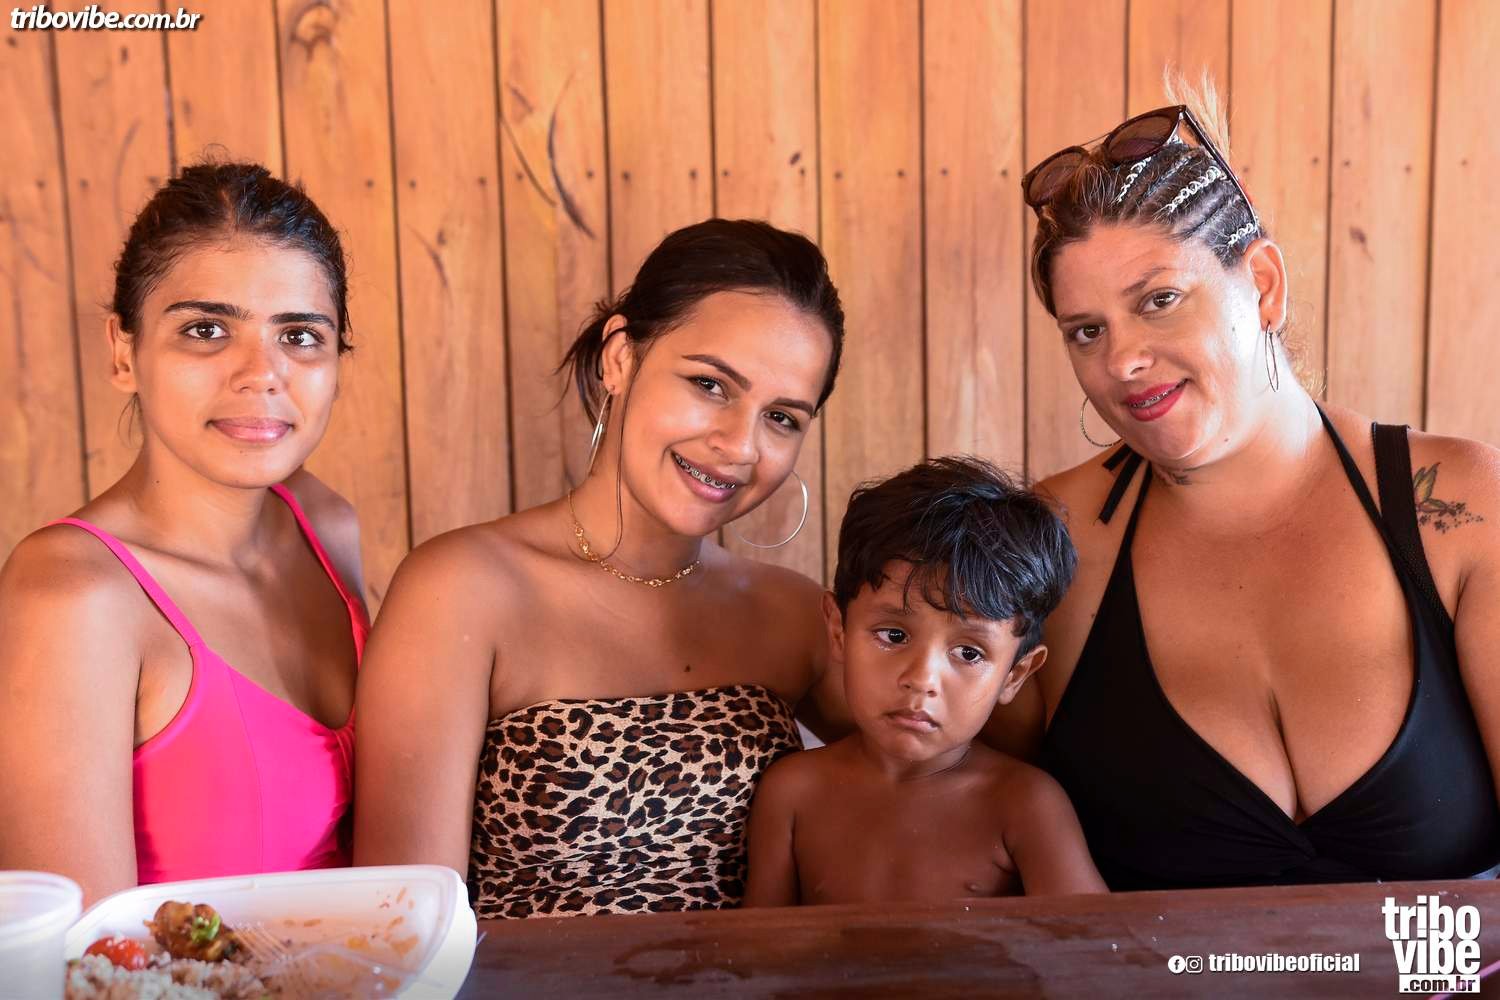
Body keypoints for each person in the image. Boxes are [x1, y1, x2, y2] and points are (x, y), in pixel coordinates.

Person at [986, 79, 1500, 889]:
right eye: (1086, 332)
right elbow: (953, 802)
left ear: (1262, 285)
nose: (1122, 362)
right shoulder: (1049, 544)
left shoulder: (1464, 507)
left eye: (1159, 300)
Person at [354, 219, 850, 918]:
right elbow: (402, 923)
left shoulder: (796, 617)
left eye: (782, 418)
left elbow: (951, 767)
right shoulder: (460, 590)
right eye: (710, 384)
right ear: (620, 357)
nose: (740, 445)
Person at [0, 163, 367, 904]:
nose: (261, 373)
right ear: (123, 351)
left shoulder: (326, 526)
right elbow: (81, 955)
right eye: (206, 330)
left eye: (300, 335)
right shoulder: (74, 595)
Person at [743, 458, 1105, 906]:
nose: (922, 680)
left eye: (969, 653)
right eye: (893, 636)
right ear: (838, 631)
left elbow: (1094, 939)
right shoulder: (793, 793)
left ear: (1015, 675)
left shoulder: (1024, 805)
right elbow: (760, 942)